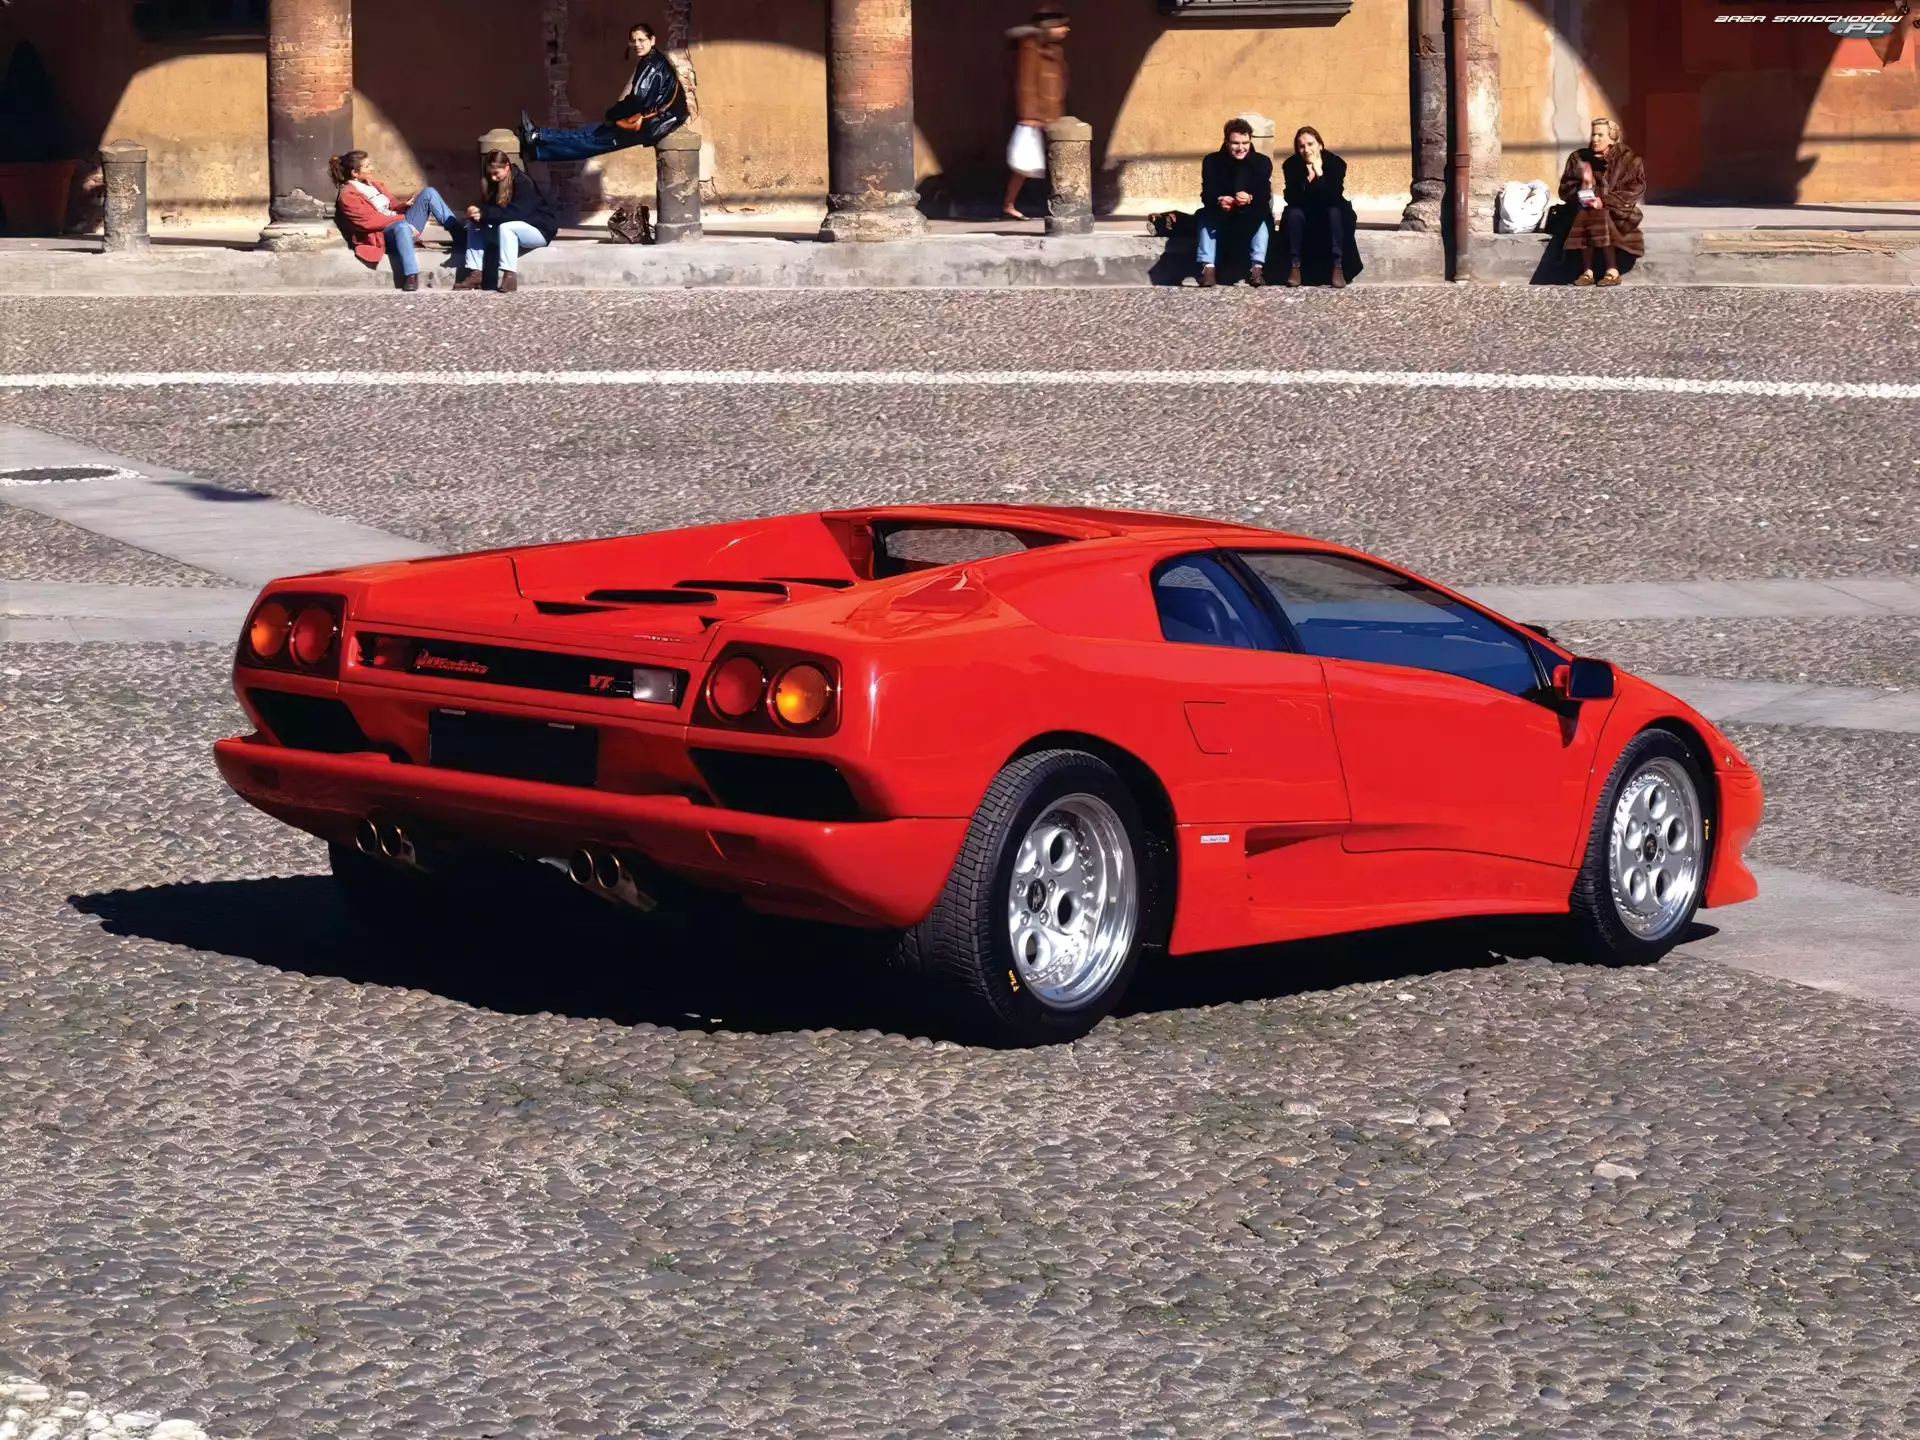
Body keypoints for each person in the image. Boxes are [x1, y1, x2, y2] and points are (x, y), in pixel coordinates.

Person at [518, 21, 687, 164]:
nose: (637, 45)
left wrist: (613, 113)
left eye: (641, 40)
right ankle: (537, 144)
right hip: (657, 120)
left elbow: (638, 99)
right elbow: (641, 98)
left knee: (591, 139)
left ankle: (537, 141)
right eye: (633, 41)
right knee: (590, 136)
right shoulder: (653, 60)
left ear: (652, 40)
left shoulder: (653, 65)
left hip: (652, 124)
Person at [330, 151, 458, 293]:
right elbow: (370, 221)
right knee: (401, 226)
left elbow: (392, 204)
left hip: (398, 221)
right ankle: (411, 275)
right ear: (355, 173)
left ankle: (461, 237)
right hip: (382, 234)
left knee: (429, 193)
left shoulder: (373, 185)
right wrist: (401, 218)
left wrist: (404, 206)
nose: (372, 168)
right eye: (367, 166)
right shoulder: (348, 195)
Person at [454, 151, 561, 293]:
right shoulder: (496, 183)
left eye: (496, 173)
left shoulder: (523, 183)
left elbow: (516, 213)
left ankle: (510, 276)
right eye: (490, 174)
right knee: (474, 226)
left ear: (507, 167)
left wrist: (485, 214)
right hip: (513, 230)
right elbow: (492, 208)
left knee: (506, 227)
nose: (493, 177)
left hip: (538, 229)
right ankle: (476, 273)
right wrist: (477, 212)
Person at [1558, 117, 1645, 287]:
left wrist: (1604, 201)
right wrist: (1585, 184)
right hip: (1582, 208)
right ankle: (1600, 271)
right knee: (1587, 212)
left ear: (1612, 138)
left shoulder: (1628, 159)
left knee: (1600, 213)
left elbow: (1635, 189)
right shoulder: (1578, 158)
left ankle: (1601, 269)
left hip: (1619, 211)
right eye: (1593, 134)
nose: (1595, 139)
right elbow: (1565, 191)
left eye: (1600, 135)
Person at [1279, 126, 1364, 289]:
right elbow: (1291, 197)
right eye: (1301, 146)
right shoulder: (1291, 164)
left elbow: (1333, 196)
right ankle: (1295, 267)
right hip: (1304, 210)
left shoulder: (1335, 163)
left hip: (1329, 208)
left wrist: (1320, 174)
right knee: (1293, 214)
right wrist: (1306, 179)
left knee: (1334, 213)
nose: (1306, 150)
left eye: (1310, 144)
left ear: (1320, 145)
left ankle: (1337, 267)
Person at [1004, 10, 1069, 220]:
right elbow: (1027, 83)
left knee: (1046, 162)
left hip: (1050, 115)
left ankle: (1057, 202)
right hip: (1035, 117)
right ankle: (1009, 203)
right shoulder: (1030, 49)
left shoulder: (1054, 51)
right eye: (1060, 25)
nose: (1065, 29)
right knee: (1024, 164)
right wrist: (1030, 114)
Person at [1195, 118, 1272, 288]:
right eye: (1235, 143)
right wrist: (1219, 200)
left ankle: (1256, 269)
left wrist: (1249, 198)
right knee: (1205, 216)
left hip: (1249, 215)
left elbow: (1264, 195)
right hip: (1222, 214)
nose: (1241, 148)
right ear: (1226, 142)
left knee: (1262, 220)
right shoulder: (1212, 161)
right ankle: (1207, 268)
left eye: (1245, 143)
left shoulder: (1261, 162)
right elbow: (1206, 193)